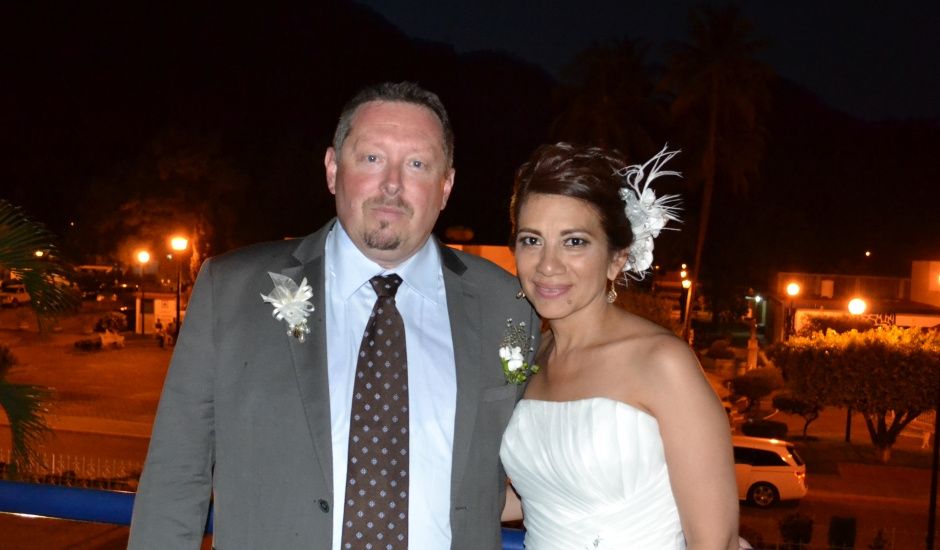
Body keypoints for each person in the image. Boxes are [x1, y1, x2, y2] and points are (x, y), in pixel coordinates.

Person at [129, 82, 537, 550]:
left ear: (445, 186)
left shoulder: (507, 304)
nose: (392, 184)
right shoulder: (232, 290)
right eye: (371, 158)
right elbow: (176, 474)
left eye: (417, 165)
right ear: (331, 169)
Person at [499, 143, 740, 549]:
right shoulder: (528, 358)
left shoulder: (661, 362)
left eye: (574, 242)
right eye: (531, 240)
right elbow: (538, 495)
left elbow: (715, 541)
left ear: (616, 258)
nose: (547, 265)